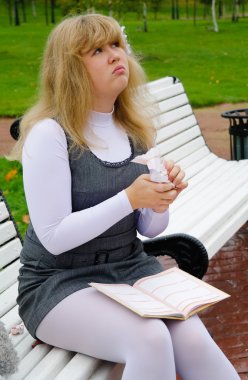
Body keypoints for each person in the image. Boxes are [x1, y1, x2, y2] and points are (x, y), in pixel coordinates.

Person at [10, 14, 239, 380]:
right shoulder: (50, 135)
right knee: (149, 338)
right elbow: (53, 237)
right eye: (98, 50)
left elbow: (150, 229)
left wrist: (159, 198)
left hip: (130, 268)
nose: (116, 55)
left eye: (117, 44)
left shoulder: (132, 130)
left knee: (191, 337)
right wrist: (130, 198)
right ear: (70, 69)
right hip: (59, 282)